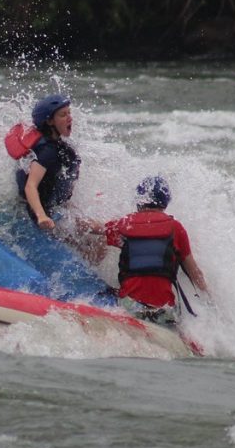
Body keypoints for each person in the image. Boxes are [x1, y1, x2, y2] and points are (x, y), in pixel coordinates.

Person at [86, 175, 208, 325]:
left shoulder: (126, 223)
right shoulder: (176, 228)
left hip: (131, 308)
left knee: (106, 291)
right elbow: (195, 273)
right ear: (165, 202)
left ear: (139, 200)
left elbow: (96, 229)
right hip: (164, 311)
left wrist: (69, 220)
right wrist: (210, 300)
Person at [16, 94, 81, 231]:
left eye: (69, 113)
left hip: (54, 207)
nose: (70, 118)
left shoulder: (59, 146)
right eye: (63, 115)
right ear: (50, 121)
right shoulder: (47, 152)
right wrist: (41, 216)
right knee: (101, 233)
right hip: (43, 215)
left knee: (98, 238)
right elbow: (30, 186)